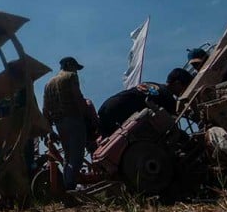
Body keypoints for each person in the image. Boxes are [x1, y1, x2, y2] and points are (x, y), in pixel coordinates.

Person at [98, 68, 193, 138]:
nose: (184, 92)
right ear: (177, 83)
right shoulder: (167, 97)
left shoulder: (152, 84)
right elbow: (173, 123)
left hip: (106, 106)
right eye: (185, 87)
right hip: (117, 115)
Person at [42, 56, 88, 191]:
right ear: (69, 65)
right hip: (74, 119)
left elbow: (45, 109)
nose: (77, 71)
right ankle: (70, 188)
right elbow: (78, 97)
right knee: (77, 157)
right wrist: (87, 116)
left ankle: (66, 186)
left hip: (59, 123)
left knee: (67, 156)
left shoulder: (48, 84)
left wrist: (49, 129)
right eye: (75, 67)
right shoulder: (71, 76)